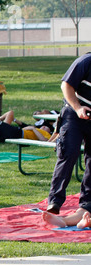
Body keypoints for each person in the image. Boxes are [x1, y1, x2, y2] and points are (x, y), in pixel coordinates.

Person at [47, 52, 91, 215]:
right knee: (69, 153)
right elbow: (66, 85)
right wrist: (78, 108)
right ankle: (55, 201)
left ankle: (87, 204)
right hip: (74, 112)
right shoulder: (86, 61)